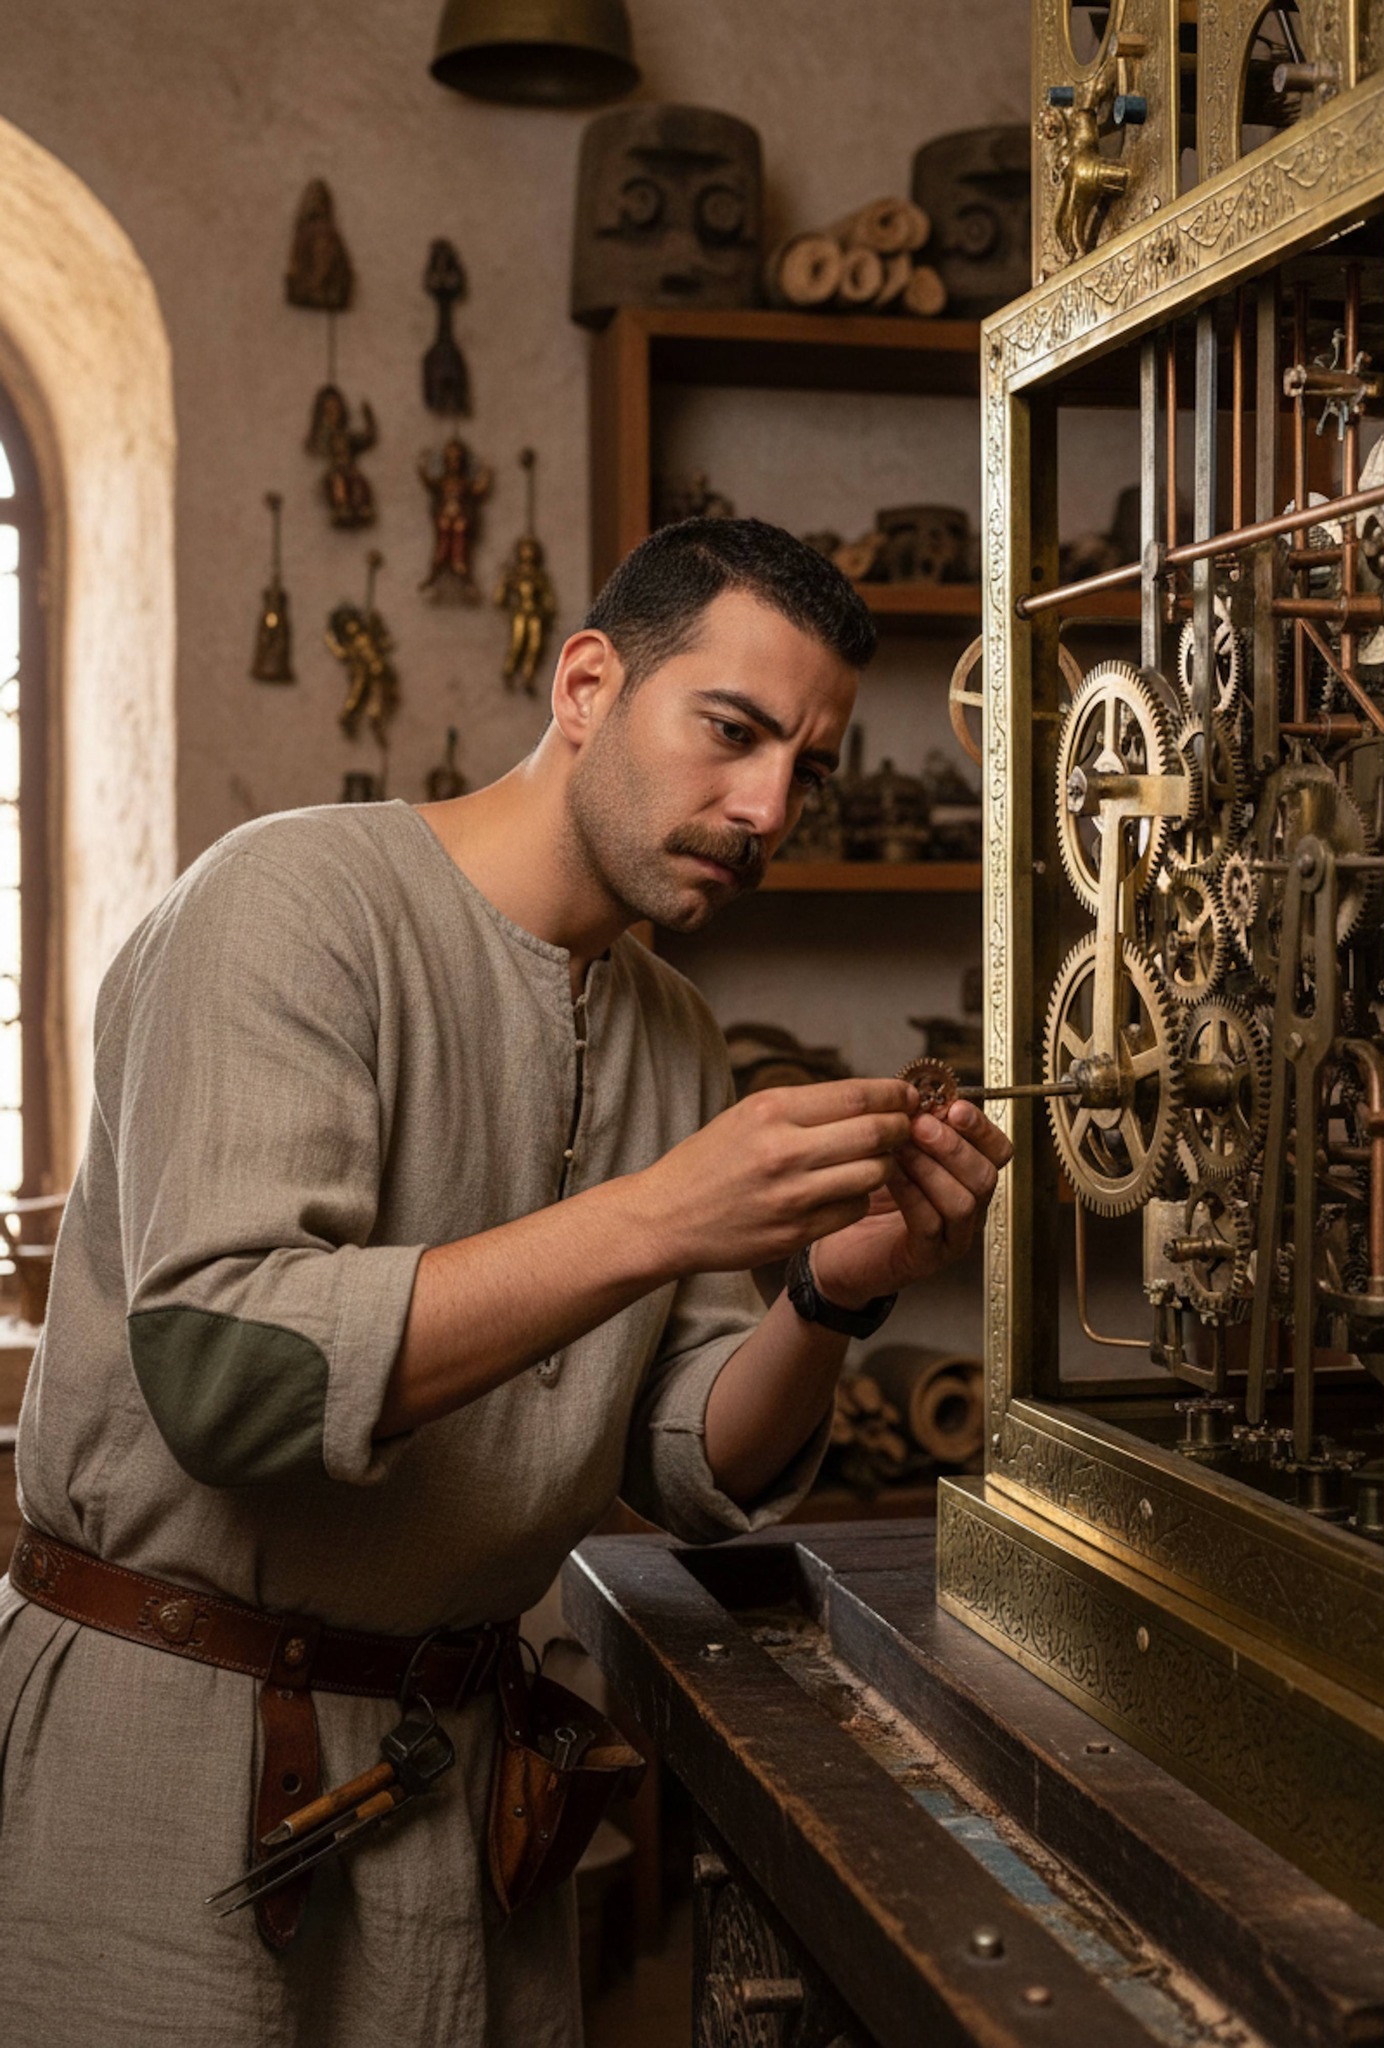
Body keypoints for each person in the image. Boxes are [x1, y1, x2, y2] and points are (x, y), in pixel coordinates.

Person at [0, 517, 1011, 2047]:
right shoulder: (291, 905)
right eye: (729, 732)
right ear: (589, 684)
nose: (763, 810)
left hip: (461, 1782)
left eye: (807, 767)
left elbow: (685, 1458)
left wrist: (831, 1294)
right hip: (175, 1763)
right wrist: (660, 1216)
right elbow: (232, 1373)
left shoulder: (672, 1030)